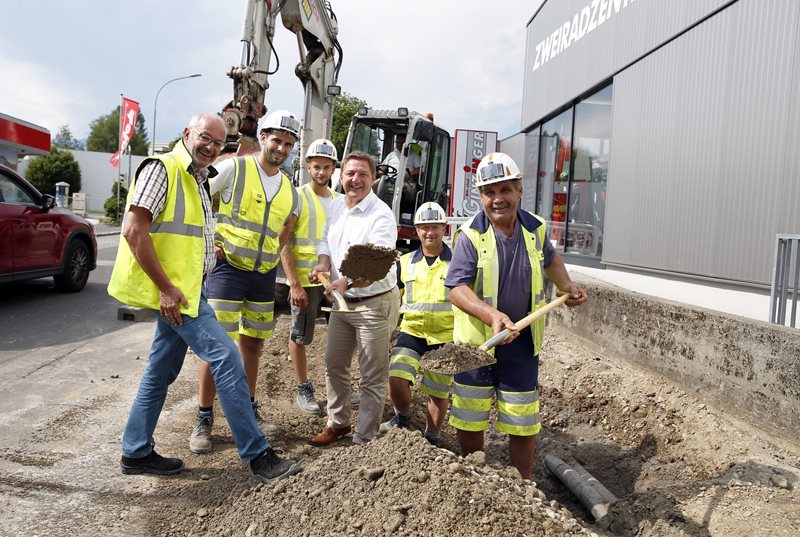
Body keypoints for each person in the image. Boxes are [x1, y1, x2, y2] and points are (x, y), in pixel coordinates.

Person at [108, 112, 300, 482]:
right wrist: (166, 288)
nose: (210, 147)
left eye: (217, 143)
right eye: (204, 138)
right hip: (177, 293)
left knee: (159, 372)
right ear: (186, 133)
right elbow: (134, 230)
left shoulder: (197, 178)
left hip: (187, 289)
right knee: (227, 357)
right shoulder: (162, 169)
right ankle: (258, 456)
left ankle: (136, 452)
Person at [444, 152, 588, 480]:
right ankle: (475, 478)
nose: (498, 199)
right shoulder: (470, 236)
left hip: (521, 343)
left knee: (522, 419)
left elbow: (550, 260)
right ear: (480, 196)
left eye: (505, 190)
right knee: (470, 415)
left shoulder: (535, 230)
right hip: (477, 347)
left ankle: (523, 487)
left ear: (519, 191)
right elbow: (457, 289)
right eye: (489, 192)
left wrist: (567, 286)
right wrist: (492, 315)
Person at [188, 110, 301, 454]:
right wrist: (211, 240)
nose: (281, 148)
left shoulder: (289, 190)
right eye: (276, 140)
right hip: (227, 270)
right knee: (217, 345)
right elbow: (198, 196)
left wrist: (272, 251)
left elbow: (289, 226)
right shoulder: (234, 167)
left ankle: (249, 412)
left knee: (253, 344)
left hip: (263, 275)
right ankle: (204, 418)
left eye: (288, 143)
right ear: (263, 136)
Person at [308, 151, 401, 446]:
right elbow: (325, 239)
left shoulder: (381, 215)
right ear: (341, 176)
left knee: (372, 375)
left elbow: (375, 263)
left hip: (374, 304)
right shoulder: (337, 205)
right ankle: (338, 423)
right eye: (350, 173)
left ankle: (364, 438)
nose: (355, 180)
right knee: (335, 364)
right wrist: (323, 262)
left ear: (373, 179)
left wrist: (343, 281)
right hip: (342, 304)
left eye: (363, 174)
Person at [379, 202, 454, 446]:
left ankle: (432, 436)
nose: (430, 232)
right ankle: (403, 417)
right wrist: (389, 333)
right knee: (396, 376)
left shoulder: (458, 263)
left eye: (435, 227)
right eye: (424, 227)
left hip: (445, 337)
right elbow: (393, 298)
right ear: (417, 230)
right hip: (412, 331)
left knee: (437, 390)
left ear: (444, 229)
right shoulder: (405, 262)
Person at [278, 138, 339, 415]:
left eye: (327, 167)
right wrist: (294, 283)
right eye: (316, 167)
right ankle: (303, 387)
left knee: (340, 338)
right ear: (308, 166)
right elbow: (284, 242)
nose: (321, 172)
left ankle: (337, 389)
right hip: (305, 283)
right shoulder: (298, 197)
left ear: (333, 169)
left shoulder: (339, 202)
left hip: (333, 283)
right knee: (300, 336)